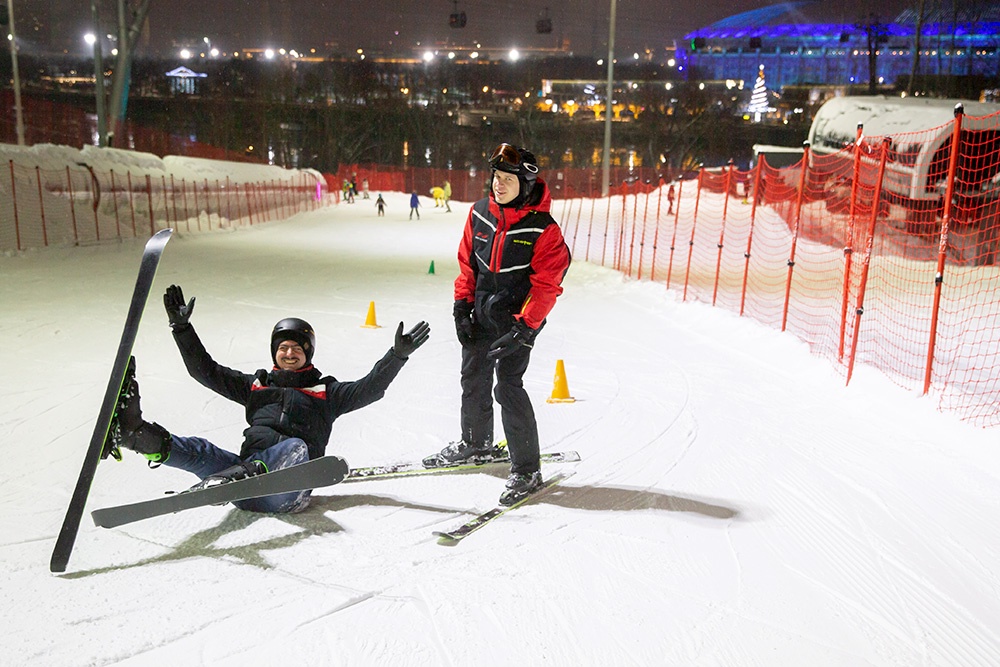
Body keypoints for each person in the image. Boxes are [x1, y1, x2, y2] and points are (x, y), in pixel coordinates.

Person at [111, 284, 430, 514]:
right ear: (275, 353)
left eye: (297, 348)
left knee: (295, 448)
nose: (289, 353)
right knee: (201, 450)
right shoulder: (257, 387)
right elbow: (204, 371)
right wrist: (181, 328)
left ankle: (236, 478)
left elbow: (369, 388)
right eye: (283, 348)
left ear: (307, 354)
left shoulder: (326, 393)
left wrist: (396, 357)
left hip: (286, 491)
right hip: (243, 482)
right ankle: (135, 435)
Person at [424, 143, 571, 506]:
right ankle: (475, 443)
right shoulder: (479, 214)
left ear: (526, 183)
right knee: (472, 378)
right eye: (496, 178)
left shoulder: (543, 230)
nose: (498, 185)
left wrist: (525, 328)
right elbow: (466, 265)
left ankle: (526, 470)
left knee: (507, 387)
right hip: (480, 314)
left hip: (516, 323)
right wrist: (461, 307)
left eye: (507, 179)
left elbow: (547, 284)